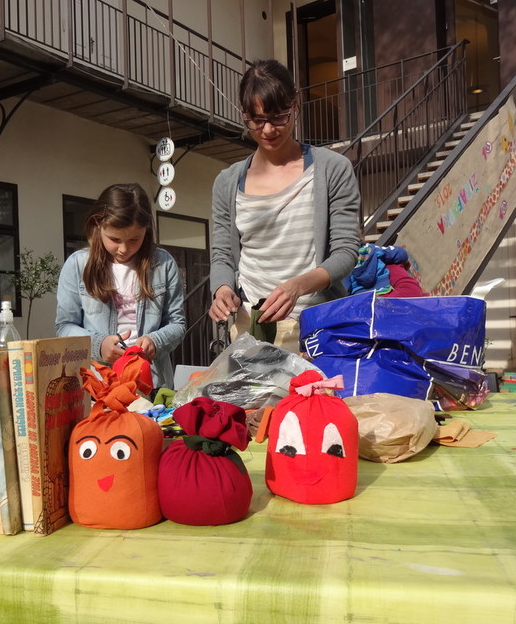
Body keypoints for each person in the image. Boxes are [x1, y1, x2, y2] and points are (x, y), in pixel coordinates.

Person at [208, 59, 361, 351]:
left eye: (279, 117)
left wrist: (297, 286)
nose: (268, 129)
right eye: (256, 120)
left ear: (296, 104)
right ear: (244, 114)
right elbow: (223, 255)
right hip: (251, 328)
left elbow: (345, 252)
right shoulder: (227, 182)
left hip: (316, 329)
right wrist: (223, 289)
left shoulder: (332, 169)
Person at [55, 182, 186, 390]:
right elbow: (64, 327)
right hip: (97, 384)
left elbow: (177, 323)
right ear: (98, 225)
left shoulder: (163, 263)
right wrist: (98, 344)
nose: (124, 249)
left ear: (146, 230)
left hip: (151, 383)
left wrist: (156, 340)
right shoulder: (78, 265)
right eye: (114, 239)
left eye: (134, 239)